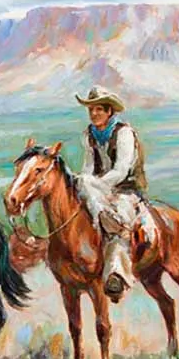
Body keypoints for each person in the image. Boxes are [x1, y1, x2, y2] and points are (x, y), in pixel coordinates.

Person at [73, 86, 155, 303]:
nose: (94, 114)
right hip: (98, 191)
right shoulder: (89, 135)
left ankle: (116, 276)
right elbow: (88, 167)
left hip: (125, 190)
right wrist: (85, 183)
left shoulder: (124, 133)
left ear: (109, 111)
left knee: (117, 225)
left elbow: (121, 170)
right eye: (91, 110)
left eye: (99, 109)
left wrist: (95, 184)